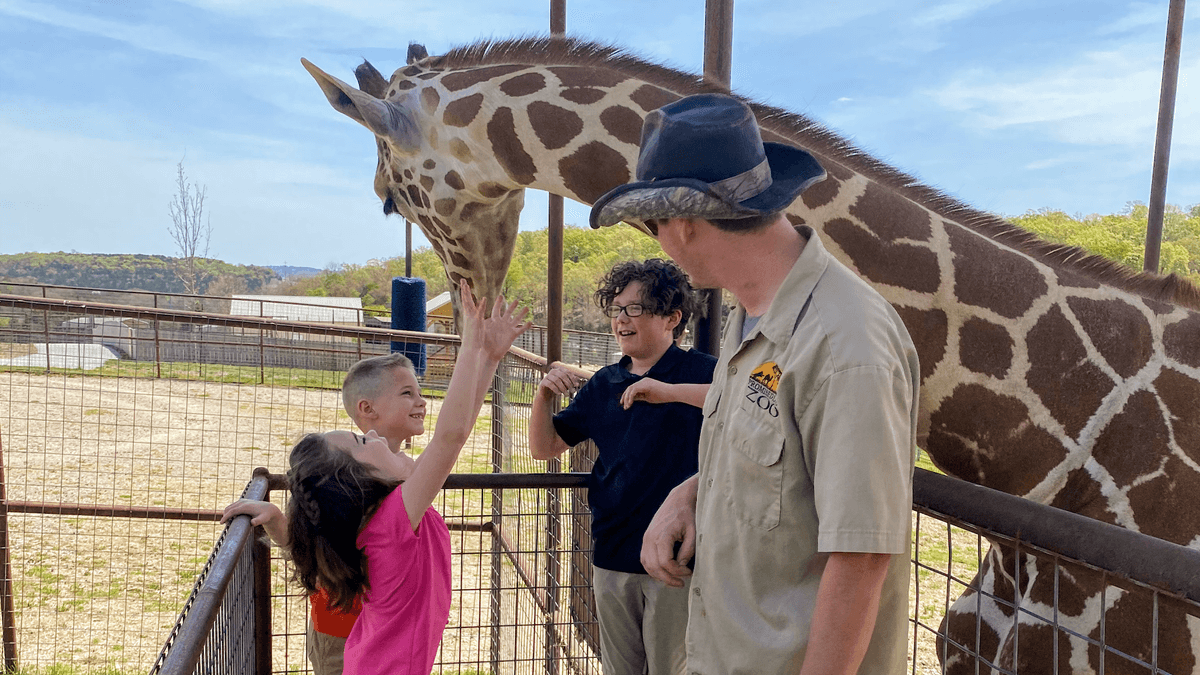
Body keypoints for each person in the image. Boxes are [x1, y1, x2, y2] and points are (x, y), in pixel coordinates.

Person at [589, 93, 919, 674]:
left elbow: (861, 556)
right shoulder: (756, 312)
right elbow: (774, 462)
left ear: (683, 225)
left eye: (654, 224)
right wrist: (688, 494)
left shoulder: (847, 345)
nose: (659, 240)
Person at [222, 279, 530, 675]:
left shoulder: (389, 508)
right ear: (361, 479)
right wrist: (470, 343)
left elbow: (459, 429)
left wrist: (489, 357)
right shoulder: (391, 521)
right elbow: (450, 437)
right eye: (361, 441)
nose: (370, 435)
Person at [529, 258, 716, 675]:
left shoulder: (703, 371)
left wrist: (669, 392)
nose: (621, 320)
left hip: (679, 556)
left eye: (635, 309)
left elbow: (743, 403)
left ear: (671, 317)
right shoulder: (605, 382)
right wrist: (543, 395)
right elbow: (544, 448)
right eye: (616, 309)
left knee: (672, 667)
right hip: (612, 549)